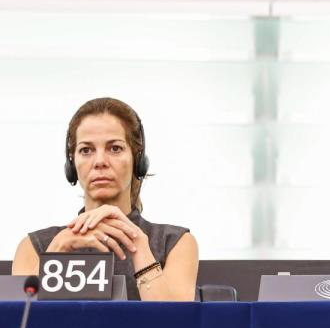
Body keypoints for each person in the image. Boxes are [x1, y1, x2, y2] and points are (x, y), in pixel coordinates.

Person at [12, 97, 198, 301]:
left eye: (115, 148)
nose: (100, 161)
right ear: (72, 166)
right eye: (86, 150)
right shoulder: (34, 246)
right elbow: (21, 326)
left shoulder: (174, 243)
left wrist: (139, 247)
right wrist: (56, 252)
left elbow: (174, 327)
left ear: (137, 159)